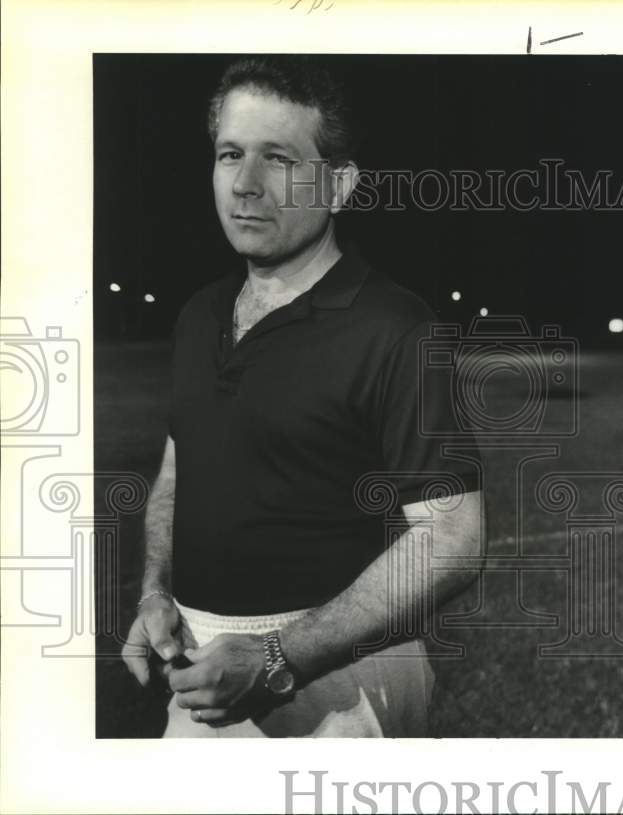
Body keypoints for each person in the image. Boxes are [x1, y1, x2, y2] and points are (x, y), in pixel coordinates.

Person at [121, 56, 483, 737]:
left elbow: (453, 539)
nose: (247, 184)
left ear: (339, 185)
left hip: (337, 681)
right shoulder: (199, 315)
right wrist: (154, 589)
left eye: (279, 158)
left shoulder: (394, 325)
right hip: (205, 666)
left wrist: (278, 657)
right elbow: (177, 473)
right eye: (231, 154)